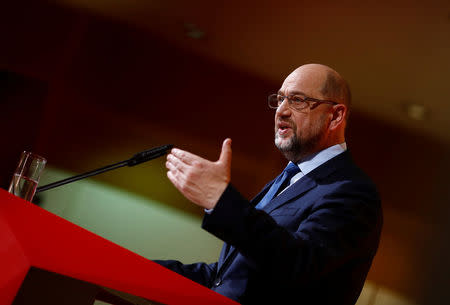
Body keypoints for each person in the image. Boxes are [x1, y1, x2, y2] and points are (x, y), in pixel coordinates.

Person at [156, 63, 383, 305]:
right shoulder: (287, 179)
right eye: (280, 99)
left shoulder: (352, 192)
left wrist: (221, 200)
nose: (281, 111)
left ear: (335, 116)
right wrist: (136, 268)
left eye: (297, 100)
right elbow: (231, 279)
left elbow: (298, 264)